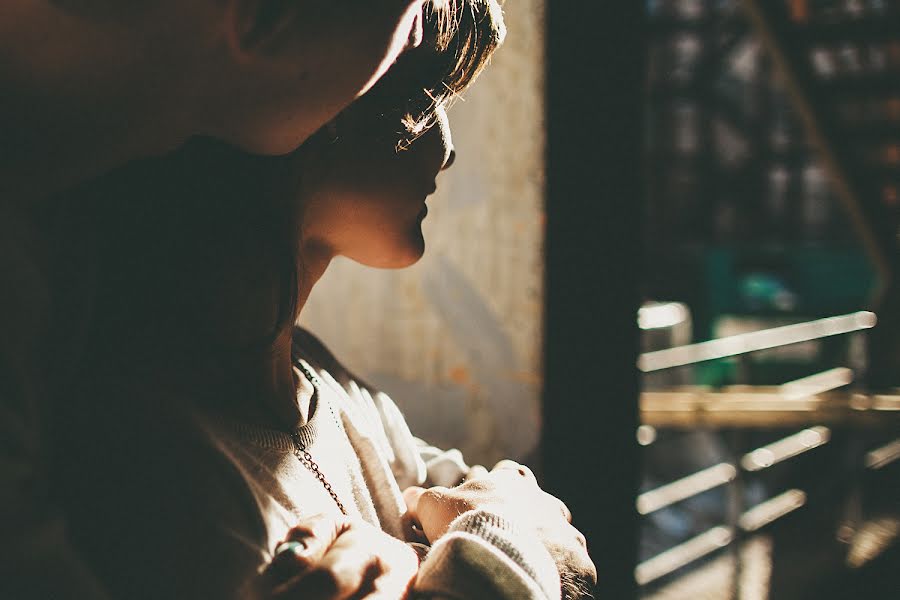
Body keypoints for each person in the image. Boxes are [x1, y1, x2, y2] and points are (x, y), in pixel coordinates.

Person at [55, 1, 596, 597]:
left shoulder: (331, 389)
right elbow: (521, 525)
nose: (447, 149)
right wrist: (498, 539)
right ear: (319, 103)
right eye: (423, 96)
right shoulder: (156, 464)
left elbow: (523, 512)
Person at [1, 1, 442, 597]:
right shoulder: (155, 448)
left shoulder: (59, 247)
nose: (418, 26)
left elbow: (472, 486)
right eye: (410, 7)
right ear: (264, 15)